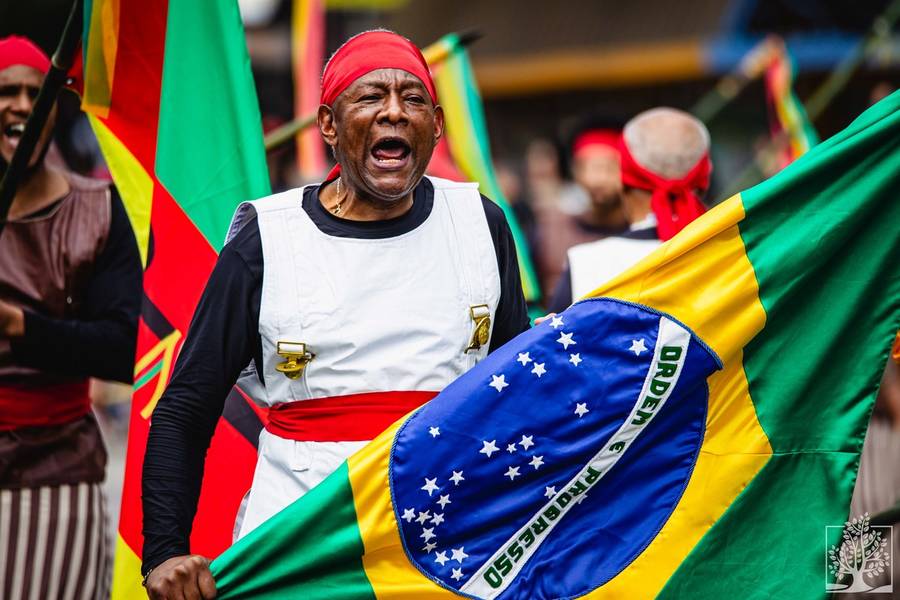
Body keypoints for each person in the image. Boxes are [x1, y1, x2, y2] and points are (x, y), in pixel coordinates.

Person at [141, 30, 530, 599]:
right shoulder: (265, 242)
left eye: (413, 98)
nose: (394, 111)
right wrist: (164, 553)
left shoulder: (480, 223)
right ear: (327, 124)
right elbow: (185, 407)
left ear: (438, 123)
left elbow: (518, 390)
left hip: (449, 532)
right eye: (370, 97)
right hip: (303, 538)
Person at [0, 36, 142, 599]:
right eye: (5, 92)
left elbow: (126, 348)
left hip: (56, 475)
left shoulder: (101, 210)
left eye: (36, 93)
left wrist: (19, 327)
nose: (20, 105)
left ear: (57, 108)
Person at [547, 108, 712, 312]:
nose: (595, 179)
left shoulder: (584, 265)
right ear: (705, 176)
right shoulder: (735, 256)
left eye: (608, 167)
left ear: (624, 178)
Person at [531, 124, 628, 297]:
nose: (596, 179)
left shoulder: (645, 232)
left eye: (608, 167)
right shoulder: (550, 231)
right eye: (586, 167)